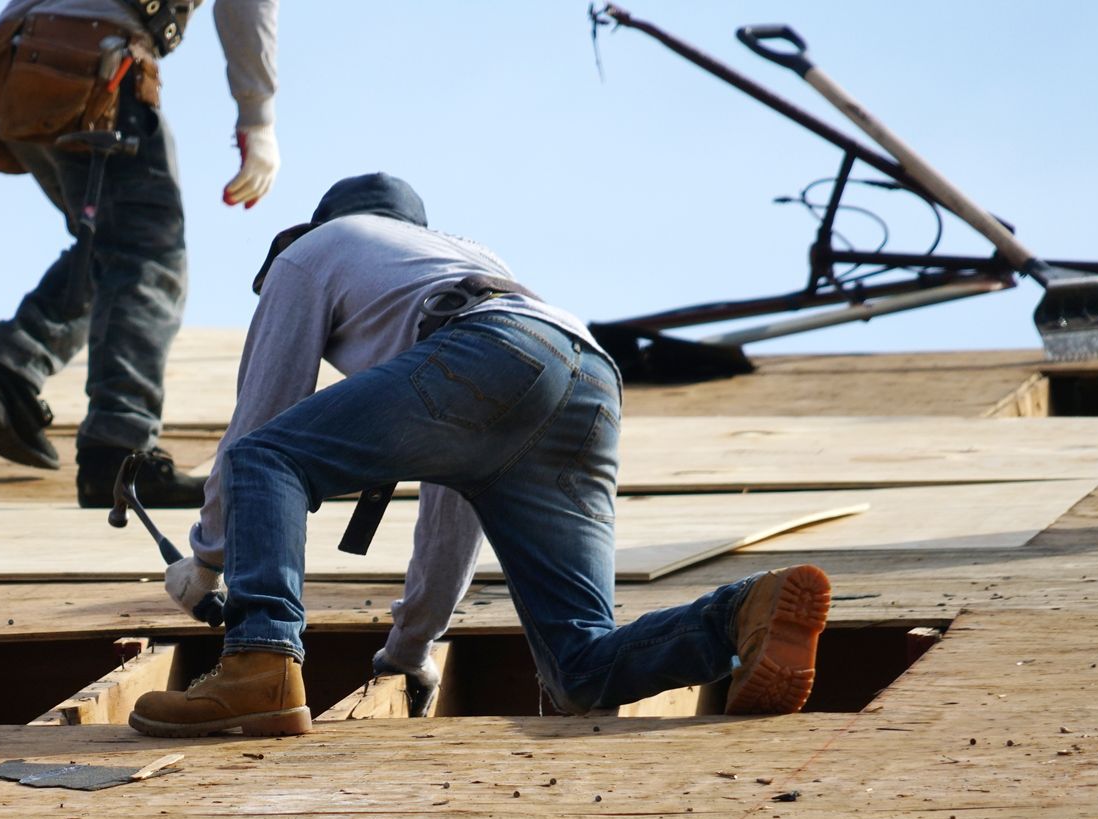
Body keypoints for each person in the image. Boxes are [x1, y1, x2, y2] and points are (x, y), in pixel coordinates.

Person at [128, 173, 832, 737]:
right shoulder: (459, 257)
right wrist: (409, 653)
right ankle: (739, 616)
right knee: (578, 668)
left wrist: (207, 562)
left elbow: (261, 425)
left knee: (267, 459)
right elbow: (452, 514)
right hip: (586, 377)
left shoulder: (316, 249)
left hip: (489, 352)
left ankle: (259, 665)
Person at [0, 0, 279, 509]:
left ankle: (7, 372)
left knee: (108, 247)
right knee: (149, 259)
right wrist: (258, 119)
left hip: (20, 64)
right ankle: (121, 452)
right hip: (94, 65)